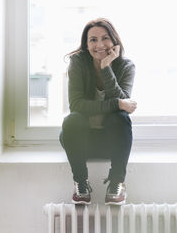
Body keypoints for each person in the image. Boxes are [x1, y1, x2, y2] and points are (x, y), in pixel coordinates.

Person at [59, 18, 137, 205]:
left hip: (113, 144)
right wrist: (117, 103)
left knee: (120, 118)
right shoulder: (77, 62)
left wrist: (106, 67)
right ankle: (81, 183)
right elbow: (76, 105)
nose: (99, 44)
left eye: (105, 38)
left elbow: (123, 103)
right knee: (72, 120)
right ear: (86, 44)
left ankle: (116, 184)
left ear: (114, 41)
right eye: (93, 40)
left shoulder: (126, 66)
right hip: (80, 143)